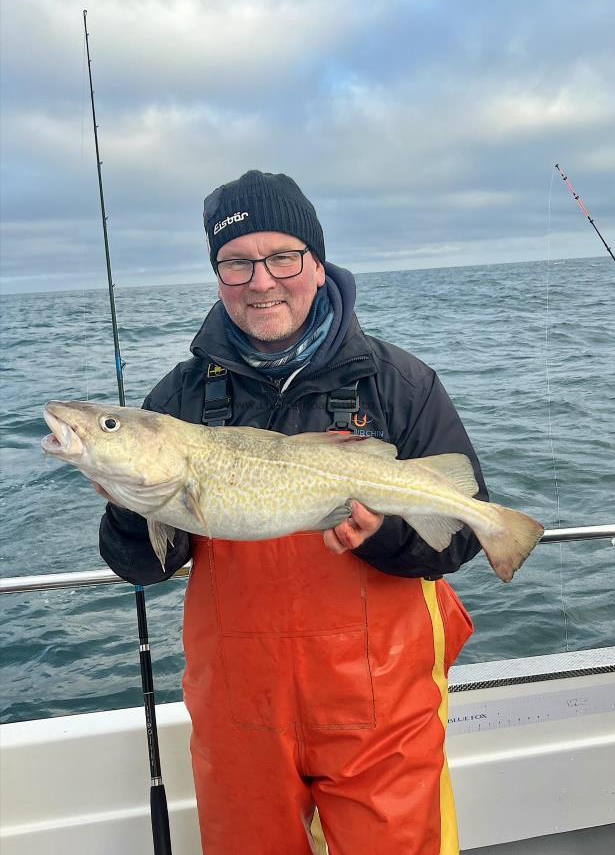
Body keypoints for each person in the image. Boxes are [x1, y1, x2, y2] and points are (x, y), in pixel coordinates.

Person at [99, 170, 488, 855]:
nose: (261, 280)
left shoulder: (399, 383)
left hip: (381, 712)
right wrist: (133, 506)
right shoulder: (178, 400)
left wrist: (383, 534)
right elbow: (142, 568)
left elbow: (459, 540)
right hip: (240, 716)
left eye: (282, 257)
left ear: (316, 263)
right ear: (216, 273)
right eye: (236, 262)